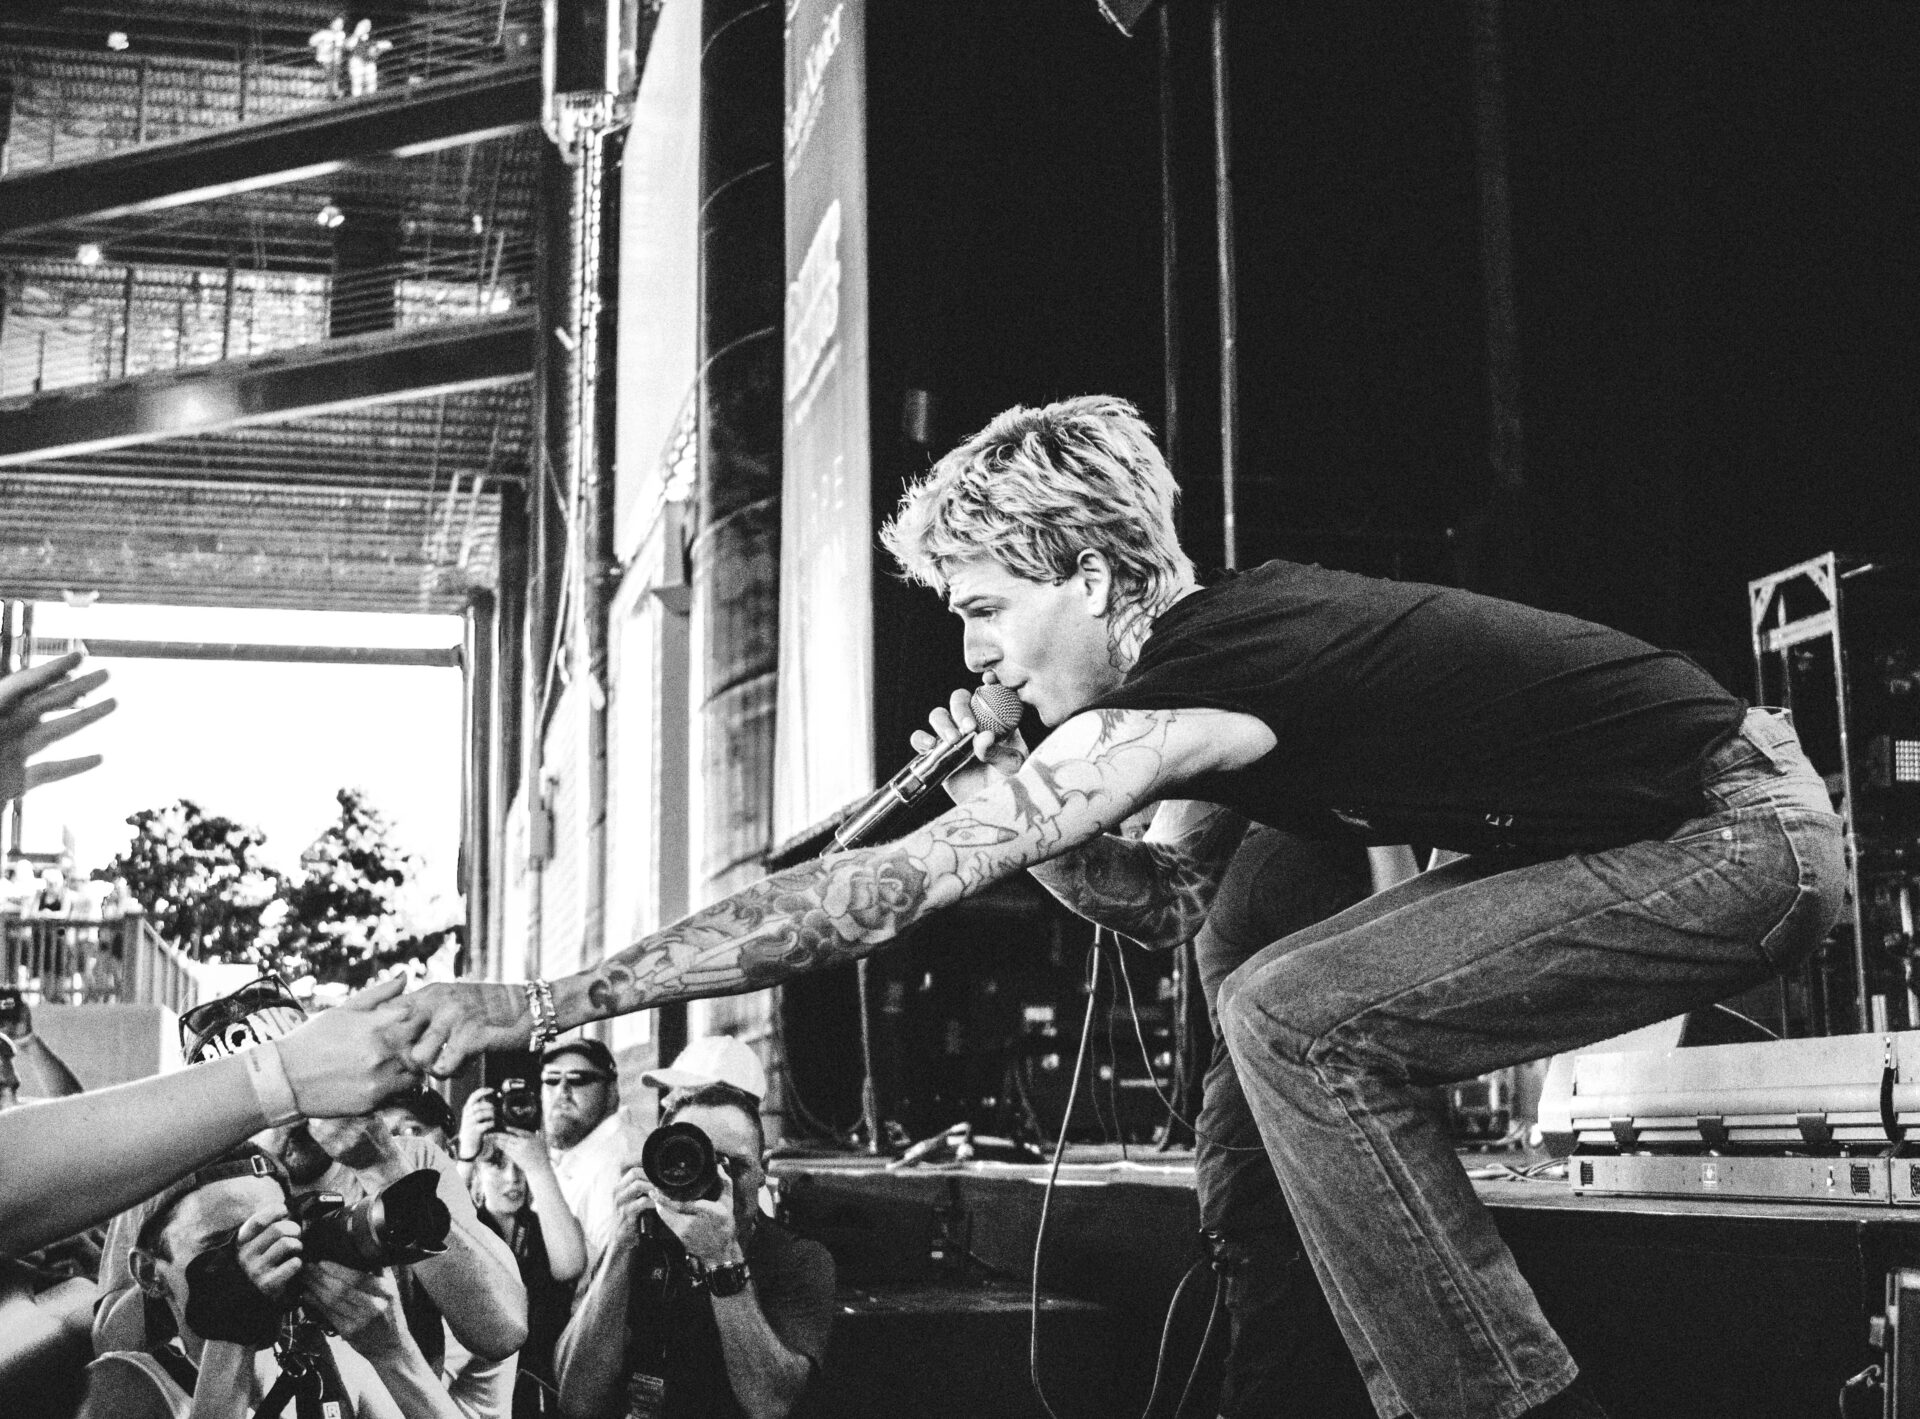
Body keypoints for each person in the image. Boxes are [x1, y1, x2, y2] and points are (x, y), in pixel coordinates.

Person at [396, 396, 1846, 1419]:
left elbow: (870, 895)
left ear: (1090, 576)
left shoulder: (1219, 669)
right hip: (1659, 829)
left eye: (985, 607)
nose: (975, 652)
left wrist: (541, 1001)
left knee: (1292, 1015)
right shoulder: (1214, 688)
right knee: (1276, 1004)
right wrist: (1011, 788)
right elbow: (1165, 899)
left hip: (1738, 831)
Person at [79, 1144, 465, 1418]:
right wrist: (232, 1332)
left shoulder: (330, 1361)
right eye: (223, 1243)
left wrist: (394, 1353)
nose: (264, 1256)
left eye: (274, 1232)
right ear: (150, 1273)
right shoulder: (124, 1384)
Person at [553, 1082, 834, 1419]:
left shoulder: (797, 1259)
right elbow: (575, 1399)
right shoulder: (638, 1245)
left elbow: (771, 1405)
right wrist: (619, 1245)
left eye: (733, 1166)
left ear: (763, 1171)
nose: (715, 1183)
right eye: (693, 1162)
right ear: (658, 1167)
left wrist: (722, 1257)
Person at [462, 1107, 587, 1417]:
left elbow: (570, 1266)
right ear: (477, 1172)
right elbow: (438, 1229)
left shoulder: (546, 1226)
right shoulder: (468, 1225)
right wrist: (465, 1155)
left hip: (542, 1390)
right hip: (477, 1391)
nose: (513, 1178)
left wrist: (539, 1167)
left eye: (520, 1165)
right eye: (497, 1164)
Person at [0, 993, 85, 1105]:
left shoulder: (19, 1111)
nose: (11, 1102)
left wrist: (27, 1041)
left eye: (14, 1089)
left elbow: (74, 1108)